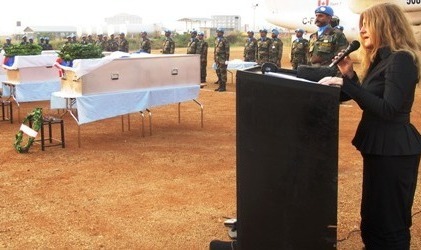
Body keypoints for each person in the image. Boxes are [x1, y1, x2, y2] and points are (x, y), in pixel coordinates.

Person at [319, 3, 421, 249]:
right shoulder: (381, 60)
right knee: (373, 218)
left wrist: (348, 85)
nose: (362, 30)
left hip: (394, 150)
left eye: (368, 25)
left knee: (389, 223)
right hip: (381, 148)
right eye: (361, 25)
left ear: (387, 25)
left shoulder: (401, 59)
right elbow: (369, 97)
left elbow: (388, 109)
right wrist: (349, 76)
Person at [214, 28, 229, 92]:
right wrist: (214, 58)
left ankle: (223, 87)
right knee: (218, 72)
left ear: (222, 33)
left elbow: (227, 51)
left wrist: (226, 60)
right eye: (217, 32)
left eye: (219, 32)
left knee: (223, 73)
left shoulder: (225, 40)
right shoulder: (216, 40)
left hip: (223, 59)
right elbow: (215, 50)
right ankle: (220, 86)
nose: (217, 33)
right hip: (217, 59)